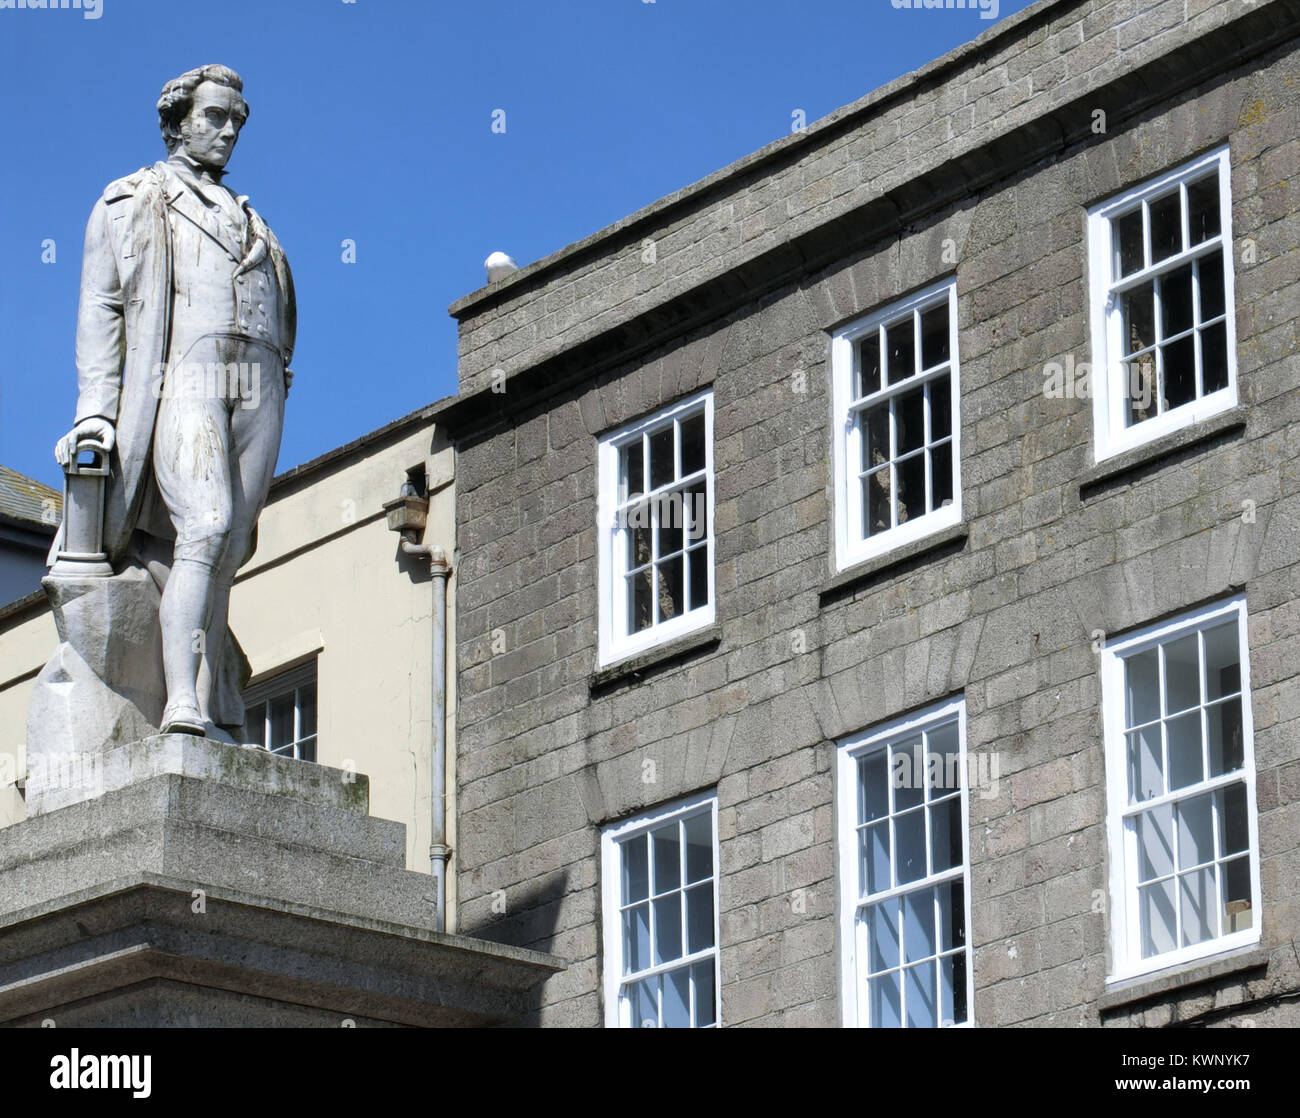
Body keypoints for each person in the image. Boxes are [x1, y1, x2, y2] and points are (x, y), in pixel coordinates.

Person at [53, 64, 295, 736]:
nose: (227, 132)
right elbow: (100, 310)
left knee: (230, 546)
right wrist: (94, 411)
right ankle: (182, 702)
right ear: (176, 121)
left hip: (259, 384)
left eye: (237, 122)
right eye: (214, 116)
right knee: (207, 524)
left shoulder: (255, 222)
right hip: (182, 376)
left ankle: (213, 702)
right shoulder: (130, 201)